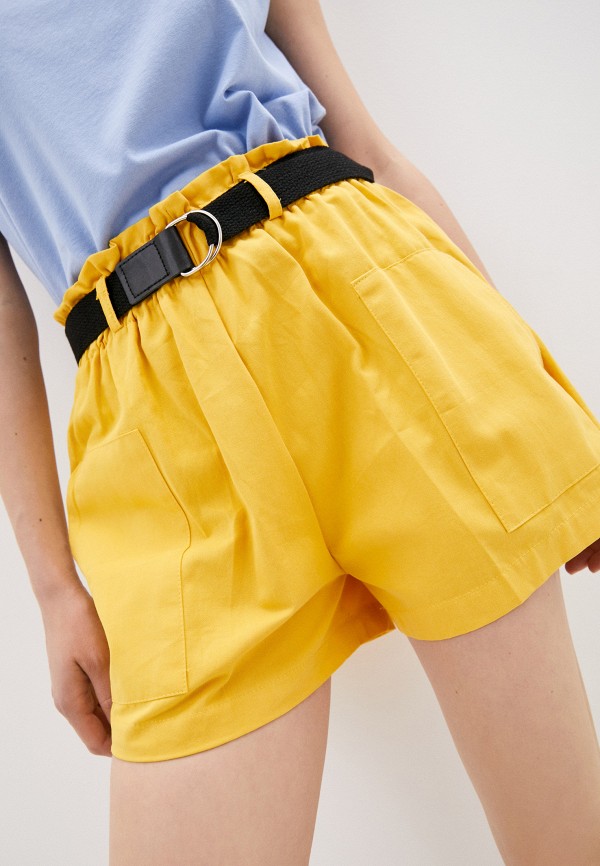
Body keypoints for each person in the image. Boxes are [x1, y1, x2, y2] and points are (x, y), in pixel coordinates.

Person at [1, 1, 600, 863]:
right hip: (154, 422)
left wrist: (534, 386)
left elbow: (369, 144)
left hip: (370, 308)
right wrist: (54, 589)